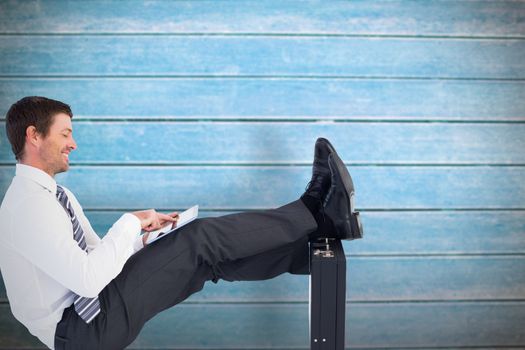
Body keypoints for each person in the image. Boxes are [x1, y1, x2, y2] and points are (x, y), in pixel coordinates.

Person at [0, 96, 362, 349]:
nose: (73, 143)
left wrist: (143, 237)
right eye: (65, 134)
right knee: (199, 240)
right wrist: (127, 222)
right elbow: (88, 279)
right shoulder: (26, 207)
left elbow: (95, 255)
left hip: (91, 315)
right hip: (83, 330)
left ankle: (309, 249)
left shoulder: (54, 197)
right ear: (34, 135)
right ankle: (314, 211)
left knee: (208, 261)